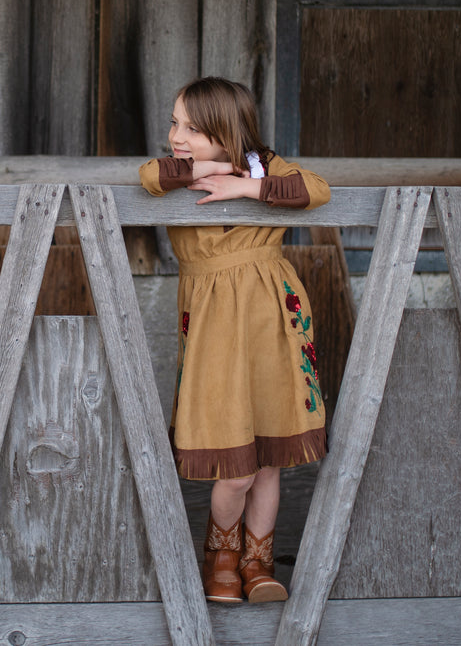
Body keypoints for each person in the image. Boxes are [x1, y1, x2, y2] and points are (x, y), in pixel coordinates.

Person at [138, 76, 331, 605]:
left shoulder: (265, 168)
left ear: (229, 130)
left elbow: (317, 189)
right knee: (237, 468)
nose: (177, 136)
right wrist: (206, 167)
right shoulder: (177, 173)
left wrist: (245, 185)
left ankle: (257, 562)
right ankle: (219, 556)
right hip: (214, 323)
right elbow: (148, 176)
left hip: (273, 317)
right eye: (175, 123)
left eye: (194, 129)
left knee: (268, 455)